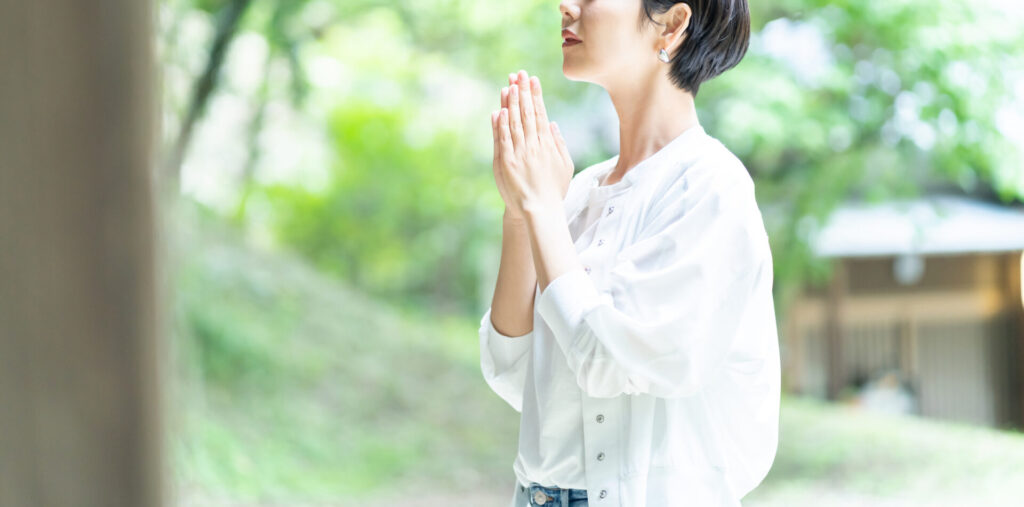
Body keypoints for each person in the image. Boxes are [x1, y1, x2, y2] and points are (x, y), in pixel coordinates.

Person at [480, 1, 780, 505]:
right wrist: (521, 212)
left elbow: (608, 360)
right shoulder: (576, 191)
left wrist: (540, 209)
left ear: (673, 22)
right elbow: (512, 371)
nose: (567, 6)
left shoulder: (711, 186)